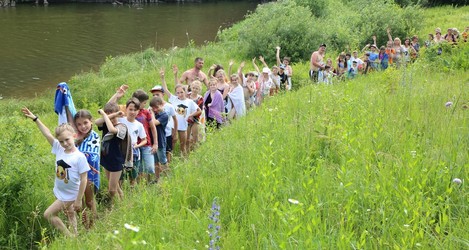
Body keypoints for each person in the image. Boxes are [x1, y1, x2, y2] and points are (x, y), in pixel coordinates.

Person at [21, 107, 89, 237]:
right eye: (61, 141)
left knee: (49, 214)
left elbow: (84, 178)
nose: (64, 143)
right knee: (70, 213)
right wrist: (36, 119)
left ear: (74, 136)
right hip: (62, 190)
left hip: (70, 194)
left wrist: (79, 200)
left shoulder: (79, 157)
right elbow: (47, 134)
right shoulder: (59, 148)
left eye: (67, 140)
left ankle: (71, 237)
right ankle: (76, 234)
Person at [161, 68, 200, 157]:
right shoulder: (174, 99)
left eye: (181, 92)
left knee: (183, 144)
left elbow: (199, 111)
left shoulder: (189, 102)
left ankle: (185, 160)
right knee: (172, 144)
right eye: (178, 93)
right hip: (173, 125)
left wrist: (190, 115)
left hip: (183, 126)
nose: (180, 94)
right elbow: (165, 89)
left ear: (185, 92)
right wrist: (162, 78)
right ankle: (169, 160)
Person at [74, 110, 100, 229]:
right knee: (79, 201)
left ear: (91, 121)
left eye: (85, 122)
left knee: (89, 200)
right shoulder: (74, 137)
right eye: (79, 124)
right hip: (75, 173)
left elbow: (92, 156)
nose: (82, 126)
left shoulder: (94, 136)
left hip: (89, 173)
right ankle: (85, 225)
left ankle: (93, 224)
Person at [95, 102, 126, 204]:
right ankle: (121, 203)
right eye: (108, 115)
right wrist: (109, 116)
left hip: (116, 161)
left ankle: (116, 206)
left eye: (113, 115)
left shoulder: (122, 126)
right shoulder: (105, 124)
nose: (111, 118)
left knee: (112, 190)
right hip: (106, 158)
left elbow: (112, 130)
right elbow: (96, 122)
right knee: (115, 186)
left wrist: (105, 115)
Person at [118, 98, 147, 187]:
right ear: (126, 109)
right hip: (121, 153)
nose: (132, 112)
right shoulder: (120, 120)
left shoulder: (139, 125)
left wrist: (138, 145)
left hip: (134, 154)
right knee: (120, 178)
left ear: (138, 111)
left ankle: (131, 195)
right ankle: (121, 196)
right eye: (130, 109)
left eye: (135, 110)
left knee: (133, 177)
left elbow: (144, 140)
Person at [131, 90, 158, 183]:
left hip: (146, 143)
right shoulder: (130, 112)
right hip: (134, 145)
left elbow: (153, 128)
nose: (145, 105)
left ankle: (150, 182)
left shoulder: (146, 112)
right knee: (138, 168)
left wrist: (155, 143)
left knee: (150, 167)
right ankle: (141, 185)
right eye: (144, 103)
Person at [150, 85, 177, 164]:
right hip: (156, 135)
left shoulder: (169, 106)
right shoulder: (151, 107)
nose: (155, 96)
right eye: (153, 95)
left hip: (167, 133)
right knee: (157, 158)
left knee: (167, 153)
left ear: (163, 94)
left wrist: (174, 133)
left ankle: (167, 170)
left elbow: (175, 119)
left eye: (157, 94)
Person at [149, 96, 169, 182]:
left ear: (162, 105)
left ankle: (166, 177)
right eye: (153, 108)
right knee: (155, 161)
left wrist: (152, 114)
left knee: (163, 160)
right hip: (153, 141)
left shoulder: (164, 115)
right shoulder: (155, 114)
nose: (155, 109)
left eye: (157, 107)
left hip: (160, 141)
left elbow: (153, 123)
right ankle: (157, 178)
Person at [186, 80, 203, 151]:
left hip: (195, 118)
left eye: (197, 88)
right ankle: (186, 150)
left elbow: (200, 111)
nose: (194, 90)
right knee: (187, 136)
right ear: (191, 87)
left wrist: (191, 115)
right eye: (193, 88)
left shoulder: (200, 98)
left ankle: (194, 150)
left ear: (199, 90)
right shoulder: (187, 96)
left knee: (195, 136)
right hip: (187, 118)